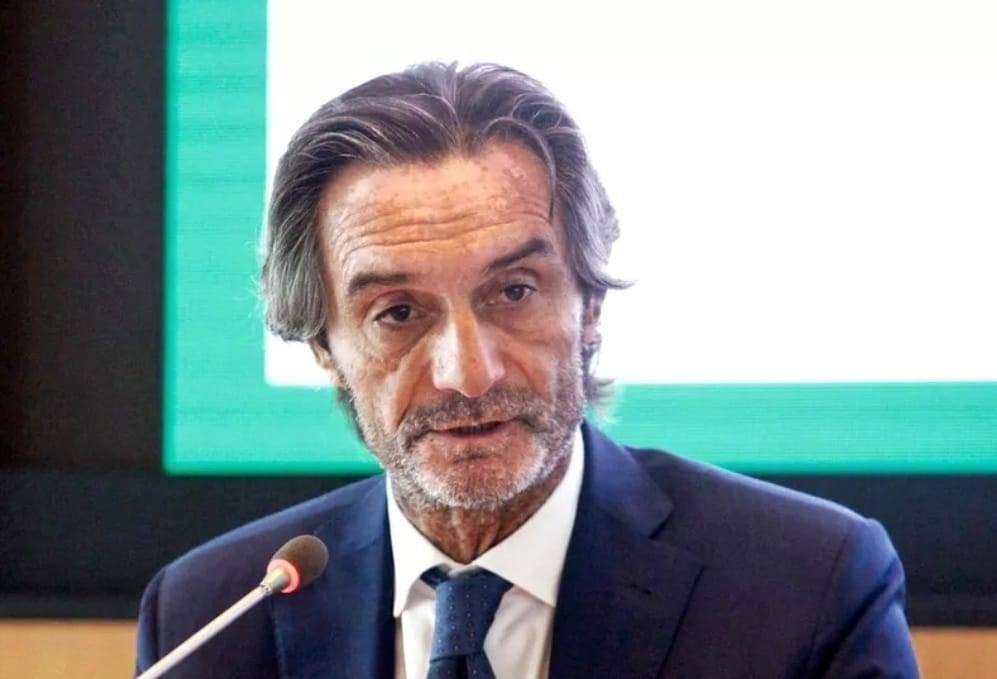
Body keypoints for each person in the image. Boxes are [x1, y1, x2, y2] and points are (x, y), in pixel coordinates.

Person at [135, 62, 919, 678]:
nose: (467, 374)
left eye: (513, 291)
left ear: (589, 303)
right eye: (398, 312)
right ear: (322, 346)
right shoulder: (208, 615)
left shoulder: (808, 587)